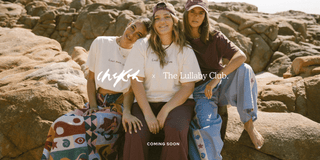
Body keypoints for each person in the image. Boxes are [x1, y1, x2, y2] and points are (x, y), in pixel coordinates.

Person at [41, 17, 151, 160]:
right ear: (129, 23)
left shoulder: (138, 55)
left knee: (80, 127)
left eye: (139, 35)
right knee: (58, 124)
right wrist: (93, 105)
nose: (132, 34)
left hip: (117, 108)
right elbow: (91, 79)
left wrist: (128, 113)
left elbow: (130, 90)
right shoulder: (101, 43)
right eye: (133, 28)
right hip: (96, 103)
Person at [182, 0, 265, 159]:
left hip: (220, 85)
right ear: (186, 13)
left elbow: (240, 56)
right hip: (201, 92)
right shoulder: (180, 37)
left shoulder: (214, 35)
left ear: (205, 16)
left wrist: (215, 80)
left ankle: (249, 125)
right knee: (206, 127)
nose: (196, 16)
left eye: (201, 13)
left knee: (245, 69)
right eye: (192, 12)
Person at [122, 2, 202, 160]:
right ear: (153, 23)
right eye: (157, 18)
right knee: (135, 132)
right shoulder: (142, 45)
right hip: (145, 101)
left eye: (166, 17)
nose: (162, 21)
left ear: (174, 21)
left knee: (176, 130)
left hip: (177, 103)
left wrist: (165, 111)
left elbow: (188, 87)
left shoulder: (185, 49)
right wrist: (149, 115)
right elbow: (136, 81)